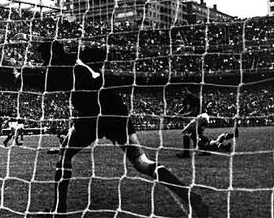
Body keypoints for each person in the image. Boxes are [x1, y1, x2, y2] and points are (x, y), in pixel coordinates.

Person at [13, 41, 209, 217]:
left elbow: (46, 83)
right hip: (116, 111)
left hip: (93, 115)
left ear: (52, 55)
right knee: (141, 162)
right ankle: (193, 199)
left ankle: (59, 210)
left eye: (44, 57)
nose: (43, 61)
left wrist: (20, 76)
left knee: (65, 155)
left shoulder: (62, 66)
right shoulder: (77, 62)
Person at [176, 87, 203, 158]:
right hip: (191, 118)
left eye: (184, 92)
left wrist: (183, 115)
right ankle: (203, 150)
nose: (182, 94)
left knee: (186, 133)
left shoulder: (195, 99)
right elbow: (184, 108)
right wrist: (177, 113)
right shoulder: (185, 99)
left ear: (188, 91)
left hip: (199, 118)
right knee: (194, 136)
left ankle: (186, 153)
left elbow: (194, 112)